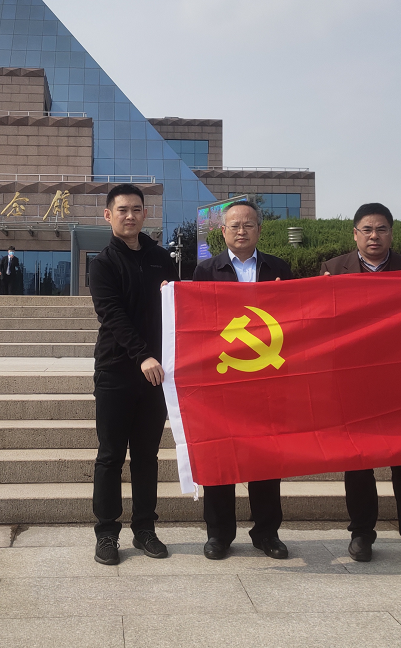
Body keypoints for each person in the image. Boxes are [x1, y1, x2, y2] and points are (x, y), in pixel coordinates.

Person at [319, 203, 401, 566]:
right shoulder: (332, 270)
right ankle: (361, 533)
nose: (375, 236)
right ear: (354, 234)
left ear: (391, 232)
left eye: (382, 229)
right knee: (357, 459)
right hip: (353, 379)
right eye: (367, 230)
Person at [192, 199, 292, 561]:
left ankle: (267, 532)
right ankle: (219, 534)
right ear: (222, 231)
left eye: (248, 224)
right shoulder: (206, 271)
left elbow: (297, 321)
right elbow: (196, 325)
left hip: (267, 379)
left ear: (259, 230)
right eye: (233, 225)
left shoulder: (278, 269)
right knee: (220, 455)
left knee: (266, 458)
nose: (240, 230)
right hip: (223, 379)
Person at [88, 183, 178, 565]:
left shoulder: (162, 258)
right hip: (116, 372)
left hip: (156, 375)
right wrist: (143, 355)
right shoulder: (103, 263)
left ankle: (145, 529)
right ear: (108, 215)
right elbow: (113, 316)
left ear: (145, 214)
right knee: (110, 455)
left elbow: (178, 308)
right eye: (122, 209)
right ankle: (107, 533)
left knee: (146, 455)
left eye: (137, 209)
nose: (130, 215)